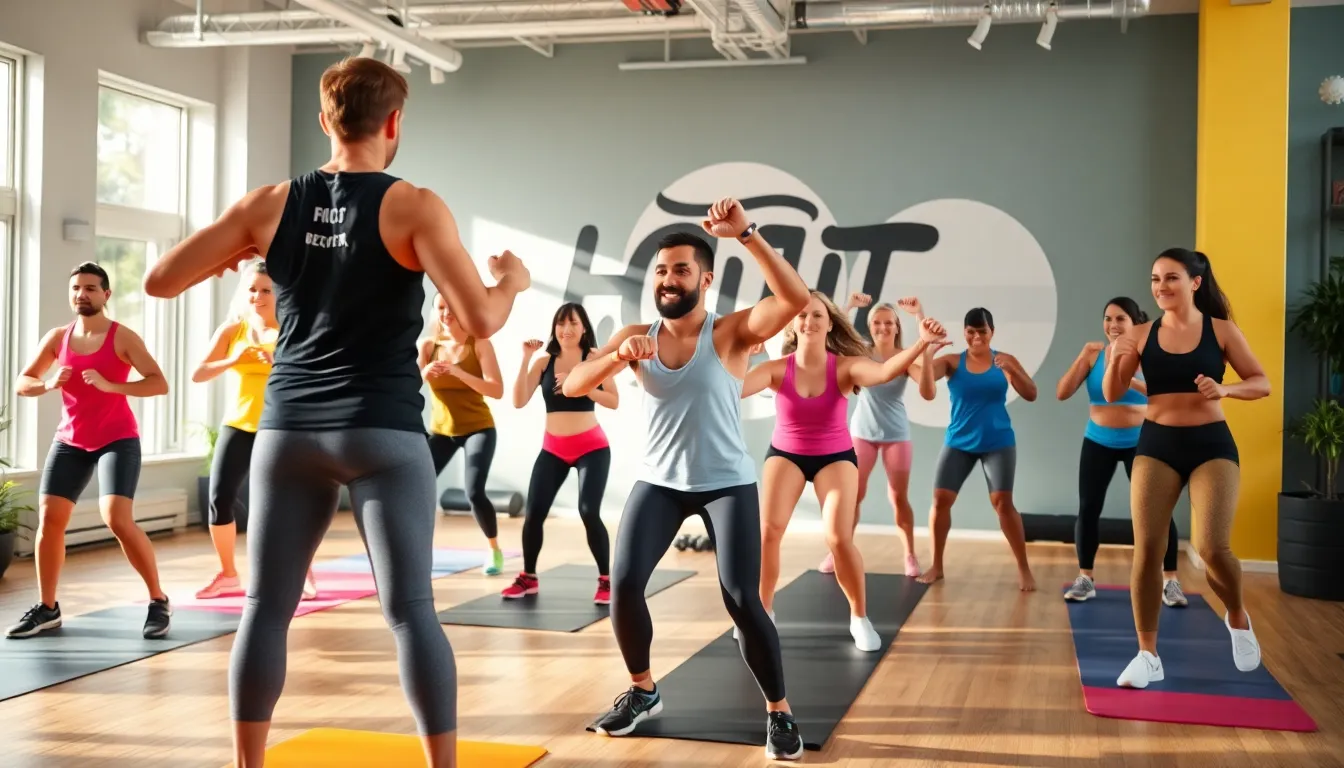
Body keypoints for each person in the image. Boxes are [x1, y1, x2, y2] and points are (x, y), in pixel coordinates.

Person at [143, 55, 531, 768]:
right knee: (410, 612)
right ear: (394, 122)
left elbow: (159, 280)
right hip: (382, 432)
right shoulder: (415, 205)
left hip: (289, 433)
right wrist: (512, 282)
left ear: (325, 120)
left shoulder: (269, 204)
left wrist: (237, 250)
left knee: (266, 610)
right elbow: (480, 318)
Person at [562, 199, 811, 761]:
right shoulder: (637, 334)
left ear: (705, 278)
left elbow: (795, 299)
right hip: (660, 482)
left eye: (680, 269)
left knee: (742, 597)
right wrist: (618, 357)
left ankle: (779, 710)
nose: (668, 279)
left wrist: (746, 233)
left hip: (726, 483)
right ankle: (643, 690)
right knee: (624, 584)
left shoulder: (731, 332)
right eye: (660, 270)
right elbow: (574, 384)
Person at [740, 290, 948, 652]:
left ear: (830, 324)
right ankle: (762, 612)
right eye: (802, 315)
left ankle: (859, 617)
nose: (808, 321)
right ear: (792, 324)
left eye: (817, 315)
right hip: (786, 454)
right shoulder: (776, 369)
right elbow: (732, 389)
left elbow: (884, 371)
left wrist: (921, 344)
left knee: (838, 538)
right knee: (768, 531)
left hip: (834, 457)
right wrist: (742, 351)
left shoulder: (846, 366)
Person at [1104, 248, 1268, 689]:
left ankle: (1237, 615)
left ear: (1195, 283)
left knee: (1213, 549)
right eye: (1155, 279)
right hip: (1157, 444)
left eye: (1171, 278)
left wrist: (1226, 390)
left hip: (1211, 444)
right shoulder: (1140, 333)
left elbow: (1262, 382)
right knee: (1147, 550)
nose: (1161, 287)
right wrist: (1117, 356)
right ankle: (1148, 655)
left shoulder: (1222, 330)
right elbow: (1113, 391)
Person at [7, 262, 172, 640]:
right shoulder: (57, 338)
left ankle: (158, 600)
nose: (82, 294)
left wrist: (114, 387)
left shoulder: (122, 337)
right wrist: (48, 383)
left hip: (117, 438)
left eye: (90, 288)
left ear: (106, 294)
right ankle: (48, 608)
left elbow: (158, 383)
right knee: (50, 518)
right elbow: (23, 382)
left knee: (116, 517)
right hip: (70, 440)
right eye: (76, 288)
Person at [190, 261, 320, 602]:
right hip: (238, 423)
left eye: (266, 290)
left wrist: (278, 363)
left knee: (288, 502)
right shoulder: (232, 330)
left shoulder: (294, 329)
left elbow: (313, 376)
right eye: (252, 289)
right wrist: (234, 360)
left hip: (282, 426)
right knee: (219, 498)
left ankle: (303, 570)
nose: (257, 296)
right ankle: (228, 574)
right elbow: (199, 373)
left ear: (280, 293)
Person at [1055, 297, 1187, 606]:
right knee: (1088, 508)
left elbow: (1165, 397)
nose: (1112, 325)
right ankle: (1085, 578)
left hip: (1142, 442)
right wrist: (1083, 356)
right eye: (1108, 318)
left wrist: (1130, 377)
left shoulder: (1150, 355)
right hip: (1097, 441)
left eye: (1120, 319)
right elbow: (1062, 392)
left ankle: (1171, 581)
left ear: (1135, 323)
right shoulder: (1094, 355)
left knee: (1158, 510)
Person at [916, 307, 1038, 591]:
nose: (976, 337)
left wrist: (1012, 370)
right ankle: (937, 565)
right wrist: (927, 354)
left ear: (991, 332)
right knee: (940, 500)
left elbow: (1031, 394)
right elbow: (926, 392)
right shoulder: (951, 362)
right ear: (964, 333)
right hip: (959, 442)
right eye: (971, 332)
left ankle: (1024, 568)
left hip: (998, 442)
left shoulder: (1004, 360)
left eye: (982, 331)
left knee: (1003, 504)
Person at [507, 302, 618, 603]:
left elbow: (613, 400)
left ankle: (606, 580)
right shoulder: (544, 362)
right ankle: (528, 577)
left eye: (573, 323)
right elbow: (518, 400)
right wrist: (526, 358)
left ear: (584, 328)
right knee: (533, 514)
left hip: (591, 448)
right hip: (553, 449)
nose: (566, 329)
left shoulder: (594, 358)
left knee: (588, 511)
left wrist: (580, 386)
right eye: (561, 323)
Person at [825, 292, 929, 579]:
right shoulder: (861, 353)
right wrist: (848, 306)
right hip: (862, 433)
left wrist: (920, 315)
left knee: (898, 497)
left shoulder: (904, 357)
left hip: (896, 434)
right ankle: (838, 551)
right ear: (870, 327)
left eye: (888, 323)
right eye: (877, 323)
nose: (883, 327)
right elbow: (831, 339)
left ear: (897, 327)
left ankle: (909, 554)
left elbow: (926, 382)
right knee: (853, 496)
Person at [419, 293, 506, 575]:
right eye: (441, 307)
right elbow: (407, 386)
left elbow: (496, 389)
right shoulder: (428, 346)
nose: (446, 313)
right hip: (441, 432)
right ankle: (417, 550)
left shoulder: (479, 344)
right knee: (416, 487)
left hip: (478, 428)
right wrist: (424, 373)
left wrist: (458, 373)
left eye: (452, 308)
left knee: (474, 492)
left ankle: (494, 549)